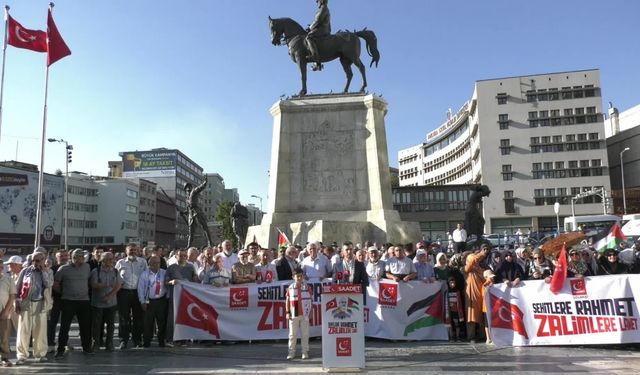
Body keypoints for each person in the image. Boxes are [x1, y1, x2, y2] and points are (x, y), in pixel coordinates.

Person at [14, 250, 53, 364]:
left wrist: (44, 271)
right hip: (26, 303)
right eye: (33, 260)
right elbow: (17, 287)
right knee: (23, 330)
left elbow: (49, 284)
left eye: (38, 260)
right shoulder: (25, 271)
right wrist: (16, 302)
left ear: (43, 260)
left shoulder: (48, 271)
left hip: (40, 303)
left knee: (40, 330)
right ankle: (22, 355)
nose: (35, 262)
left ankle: (40, 354)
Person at [54, 248, 91, 359]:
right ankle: (60, 349)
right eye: (78, 257)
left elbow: (88, 280)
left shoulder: (87, 267)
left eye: (82, 257)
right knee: (65, 327)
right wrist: (63, 292)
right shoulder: (63, 269)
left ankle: (86, 348)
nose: (81, 259)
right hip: (68, 301)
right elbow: (55, 283)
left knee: (85, 326)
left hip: (84, 301)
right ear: (73, 257)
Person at [115, 243, 148, 350]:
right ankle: (123, 340)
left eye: (135, 250)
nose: (133, 251)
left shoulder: (143, 262)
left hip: (138, 292)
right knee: (124, 318)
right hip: (124, 293)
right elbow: (116, 278)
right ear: (126, 251)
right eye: (131, 250)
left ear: (138, 251)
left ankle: (137, 340)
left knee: (138, 318)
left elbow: (146, 277)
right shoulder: (120, 262)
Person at [89, 252, 121, 352]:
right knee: (97, 324)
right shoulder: (95, 271)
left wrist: (109, 295)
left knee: (111, 324)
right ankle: (96, 343)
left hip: (111, 302)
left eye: (112, 259)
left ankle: (109, 343)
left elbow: (118, 285)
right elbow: (93, 284)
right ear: (103, 260)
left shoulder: (115, 271)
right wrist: (107, 284)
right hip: (98, 302)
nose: (111, 261)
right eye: (109, 259)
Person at [166, 249, 197, 344]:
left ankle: (185, 338)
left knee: (186, 317)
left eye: (185, 256)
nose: (183, 257)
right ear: (176, 256)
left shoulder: (191, 267)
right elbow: (165, 282)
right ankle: (170, 338)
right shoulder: (171, 268)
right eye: (181, 255)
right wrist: (172, 282)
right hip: (174, 297)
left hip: (187, 298)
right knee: (172, 318)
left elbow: (195, 282)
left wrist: (195, 280)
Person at [137, 255, 167, 348]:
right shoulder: (144, 274)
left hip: (161, 301)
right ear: (149, 264)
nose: (156, 265)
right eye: (153, 263)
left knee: (162, 322)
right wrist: (142, 302)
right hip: (149, 301)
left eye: (158, 263)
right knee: (148, 323)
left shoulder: (165, 273)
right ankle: (147, 341)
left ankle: (162, 341)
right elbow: (140, 289)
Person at [464, 244, 490, 342]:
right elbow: (470, 262)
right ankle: (471, 336)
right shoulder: (470, 264)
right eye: (484, 249)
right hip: (472, 293)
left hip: (482, 293)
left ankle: (483, 335)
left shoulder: (485, 266)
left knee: (483, 315)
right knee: (472, 315)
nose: (486, 251)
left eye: (487, 249)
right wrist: (481, 254)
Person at [285, 267, 313, 360]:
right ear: (293, 277)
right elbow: (287, 300)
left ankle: (305, 352)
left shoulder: (308, 287)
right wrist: (287, 312)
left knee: (305, 334)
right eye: (297, 276)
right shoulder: (290, 288)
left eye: (301, 276)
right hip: (294, 314)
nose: (299, 278)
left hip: (305, 314)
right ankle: (291, 352)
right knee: (292, 335)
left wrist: (311, 312)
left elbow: (311, 301)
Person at [47, 250, 69, 351]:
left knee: (66, 323)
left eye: (65, 256)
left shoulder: (71, 268)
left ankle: (64, 343)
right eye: (61, 256)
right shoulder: (52, 269)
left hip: (68, 300)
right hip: (55, 299)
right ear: (57, 258)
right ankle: (50, 343)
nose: (64, 258)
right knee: (52, 322)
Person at [183, 180, 213, 247]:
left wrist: (204, 183)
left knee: (204, 227)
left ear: (190, 188)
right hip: (191, 214)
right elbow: (188, 208)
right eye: (186, 190)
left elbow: (199, 188)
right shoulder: (187, 198)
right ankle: (189, 246)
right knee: (191, 232)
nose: (188, 190)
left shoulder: (194, 191)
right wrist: (184, 212)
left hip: (196, 212)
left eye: (188, 188)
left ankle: (210, 242)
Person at [305, 0, 331, 71]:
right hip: (322, 28)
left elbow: (318, 20)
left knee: (309, 37)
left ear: (321, 1)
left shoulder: (323, 8)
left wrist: (310, 28)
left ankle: (314, 56)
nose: (317, 2)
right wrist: (311, 26)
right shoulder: (323, 8)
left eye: (317, 1)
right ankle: (318, 64)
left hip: (323, 29)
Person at [0, 260, 16, 367]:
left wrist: (6, 312)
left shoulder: (8, 279)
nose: (0, 269)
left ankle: (5, 358)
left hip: (3, 312)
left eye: (1, 267)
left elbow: (12, 296)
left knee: (4, 337)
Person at [445, 276, 464, 342]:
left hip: (456, 310)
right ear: (448, 283)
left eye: (453, 283)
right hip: (449, 311)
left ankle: (458, 337)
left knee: (457, 324)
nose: (452, 284)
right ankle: (451, 337)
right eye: (451, 283)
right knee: (450, 324)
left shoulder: (457, 291)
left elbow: (460, 302)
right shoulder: (447, 292)